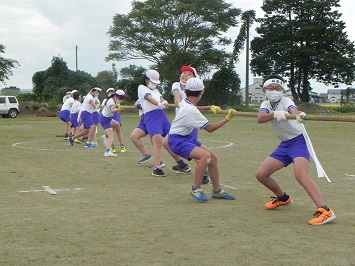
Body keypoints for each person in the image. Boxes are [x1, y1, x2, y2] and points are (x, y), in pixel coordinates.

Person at [255, 74, 336, 225]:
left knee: (300, 175)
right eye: (271, 88)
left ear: (283, 90)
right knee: (261, 175)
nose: (274, 90)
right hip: (284, 145)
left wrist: (299, 115)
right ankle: (283, 198)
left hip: (299, 142)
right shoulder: (266, 104)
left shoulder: (286, 100)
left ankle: (325, 210)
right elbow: (260, 118)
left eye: (278, 88)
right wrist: (275, 114)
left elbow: (293, 110)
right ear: (264, 90)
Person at [168, 77, 236, 201]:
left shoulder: (185, 102)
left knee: (213, 157)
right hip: (177, 141)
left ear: (185, 90)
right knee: (205, 156)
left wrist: (210, 107)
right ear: (202, 91)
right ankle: (196, 189)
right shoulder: (191, 110)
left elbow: (195, 109)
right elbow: (210, 128)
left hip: (185, 138)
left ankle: (217, 191)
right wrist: (228, 118)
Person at [164, 65, 210, 182]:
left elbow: (194, 108)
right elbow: (176, 94)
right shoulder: (177, 85)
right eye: (184, 73)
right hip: (179, 124)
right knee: (166, 142)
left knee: (194, 149)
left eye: (189, 74)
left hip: (189, 123)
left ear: (194, 77)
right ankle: (182, 164)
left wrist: (209, 107)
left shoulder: (193, 91)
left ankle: (203, 173)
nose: (185, 75)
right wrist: (180, 103)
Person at [137, 69, 173, 176]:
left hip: (161, 115)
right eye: (153, 82)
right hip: (151, 115)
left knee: (173, 137)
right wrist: (158, 103)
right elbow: (149, 98)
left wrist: (163, 102)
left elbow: (161, 98)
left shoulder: (156, 90)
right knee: (157, 142)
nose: (154, 84)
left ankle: (181, 164)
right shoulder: (142, 87)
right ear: (147, 80)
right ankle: (157, 168)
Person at [101, 88, 128, 154]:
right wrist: (118, 109)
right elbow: (112, 110)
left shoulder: (113, 100)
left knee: (117, 125)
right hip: (105, 119)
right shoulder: (111, 102)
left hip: (108, 118)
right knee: (111, 137)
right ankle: (107, 151)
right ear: (116, 96)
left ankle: (106, 137)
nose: (122, 99)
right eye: (121, 98)